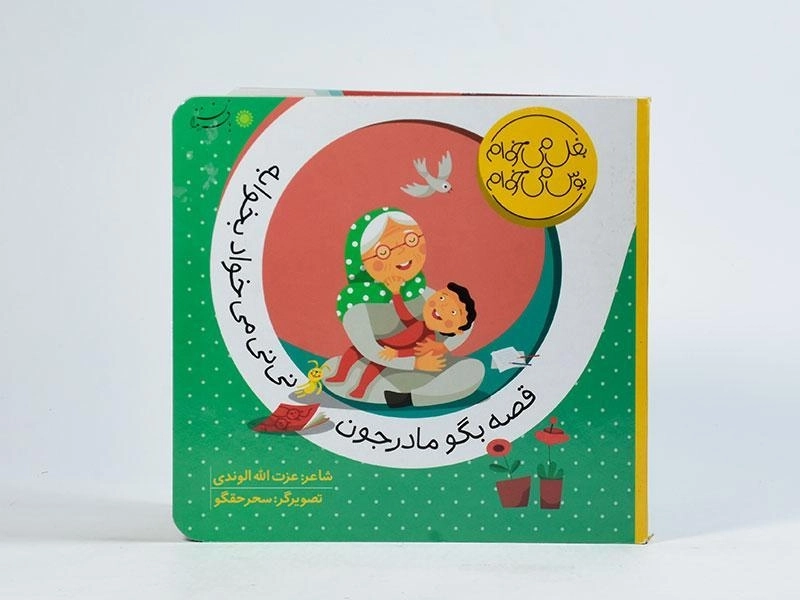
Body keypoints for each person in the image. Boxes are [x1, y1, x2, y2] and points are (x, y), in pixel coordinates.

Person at [324, 208, 485, 407]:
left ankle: (412, 398)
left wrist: (443, 346)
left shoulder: (421, 292)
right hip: (386, 368)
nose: (402, 252)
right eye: (384, 251)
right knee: (349, 364)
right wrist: (413, 362)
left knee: (475, 370)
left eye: (411, 240)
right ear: (362, 261)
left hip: (432, 367)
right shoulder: (356, 308)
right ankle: (402, 396)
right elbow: (371, 351)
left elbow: (466, 323)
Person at [328, 282, 477, 399]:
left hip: (392, 351)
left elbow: (415, 351)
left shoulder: (430, 338)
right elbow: (404, 315)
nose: (442, 307)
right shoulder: (420, 323)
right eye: (442, 298)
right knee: (353, 352)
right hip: (386, 342)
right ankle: (340, 375)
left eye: (453, 312)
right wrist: (396, 294)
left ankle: (361, 388)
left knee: (374, 367)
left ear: (456, 330)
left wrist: (396, 354)